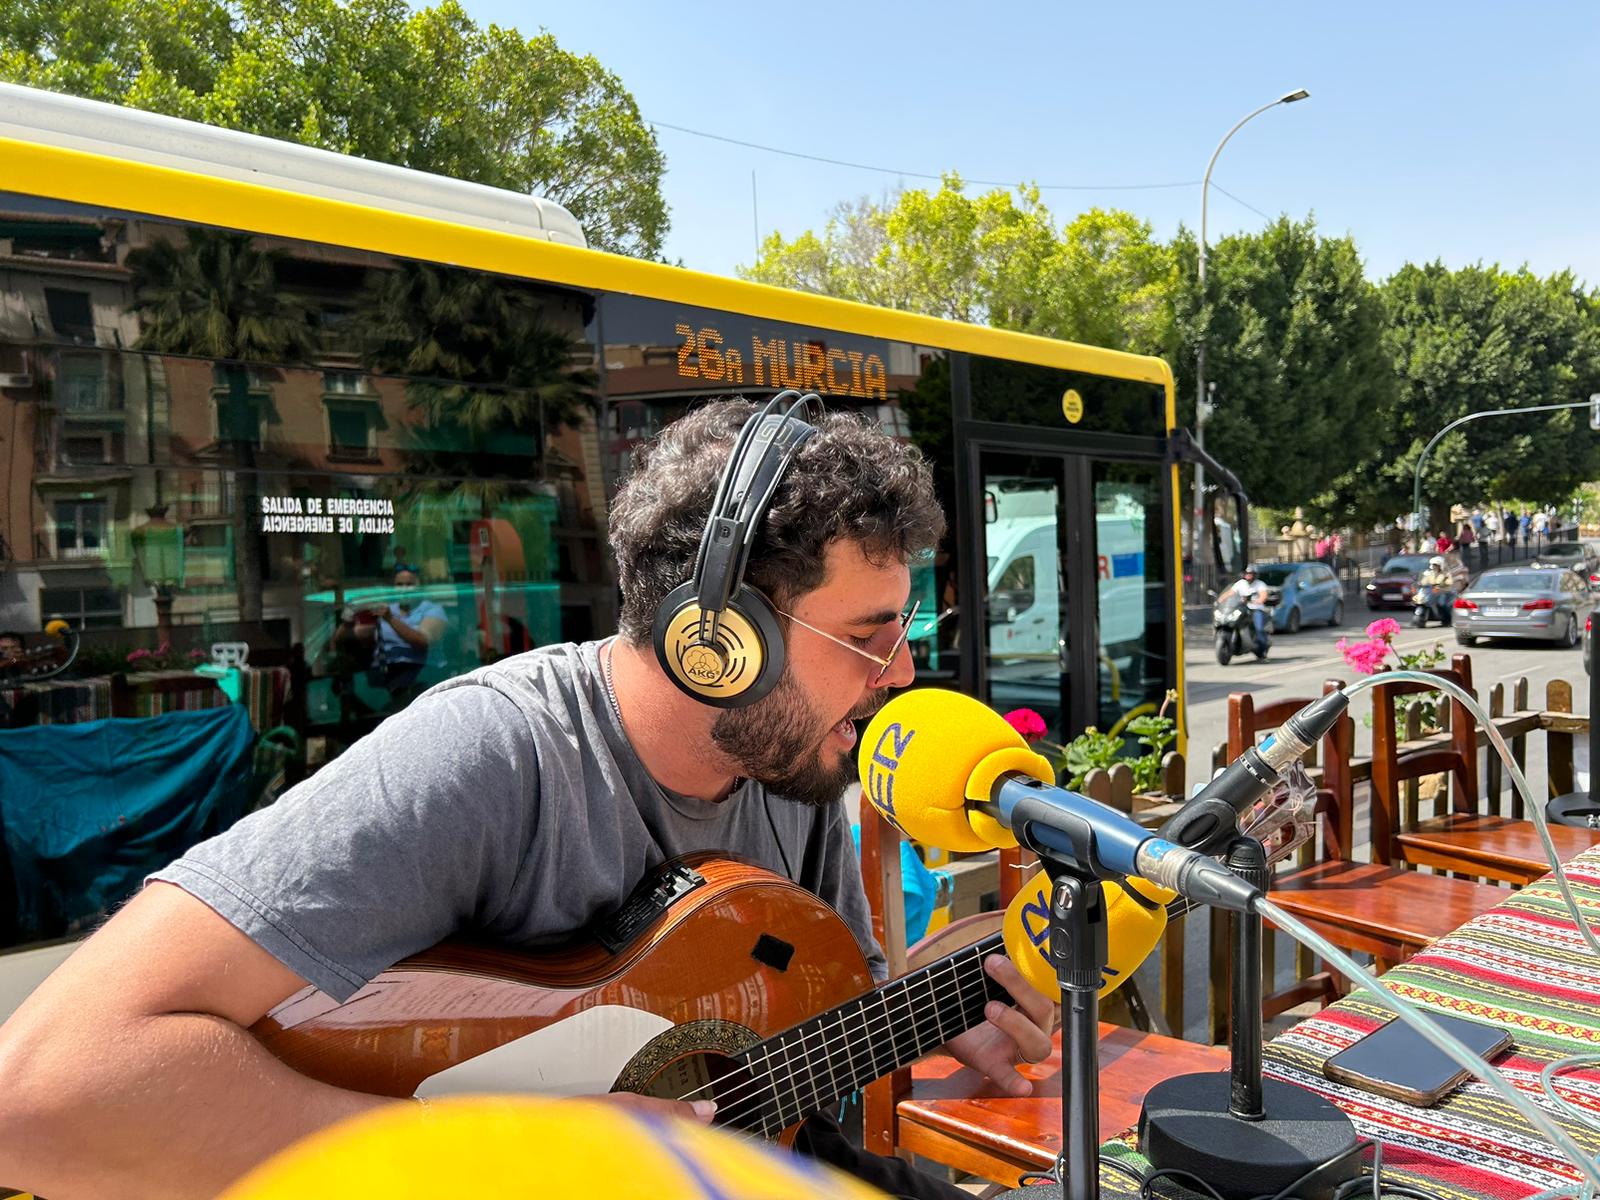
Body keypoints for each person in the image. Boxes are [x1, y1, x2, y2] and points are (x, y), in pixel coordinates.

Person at [0, 399, 1053, 1200]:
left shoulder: (796, 771)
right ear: (717, 638)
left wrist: (928, 999)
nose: (903, 672)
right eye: (866, 637)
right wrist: (540, 1162)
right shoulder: (491, 754)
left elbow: (784, 1048)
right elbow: (41, 1089)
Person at [1229, 566, 1271, 655]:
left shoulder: (1260, 584)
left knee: (1259, 629)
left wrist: (1259, 600)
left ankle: (1263, 649)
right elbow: (1230, 593)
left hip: (1255, 610)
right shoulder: (1240, 583)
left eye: (1251, 574)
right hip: (1242, 609)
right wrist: (1220, 601)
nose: (1248, 576)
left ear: (1255, 575)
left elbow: (1263, 595)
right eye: (1247, 574)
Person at [1417, 555, 1455, 622]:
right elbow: (1424, 581)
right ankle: (1430, 615)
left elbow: (1450, 582)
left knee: (1441, 604)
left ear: (1440, 565)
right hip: (1433, 592)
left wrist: (1443, 584)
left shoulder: (1446, 573)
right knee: (1423, 601)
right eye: (1433, 565)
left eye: (1436, 565)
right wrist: (1420, 583)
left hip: (1444, 592)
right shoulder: (1430, 573)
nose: (1434, 566)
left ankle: (1446, 619)